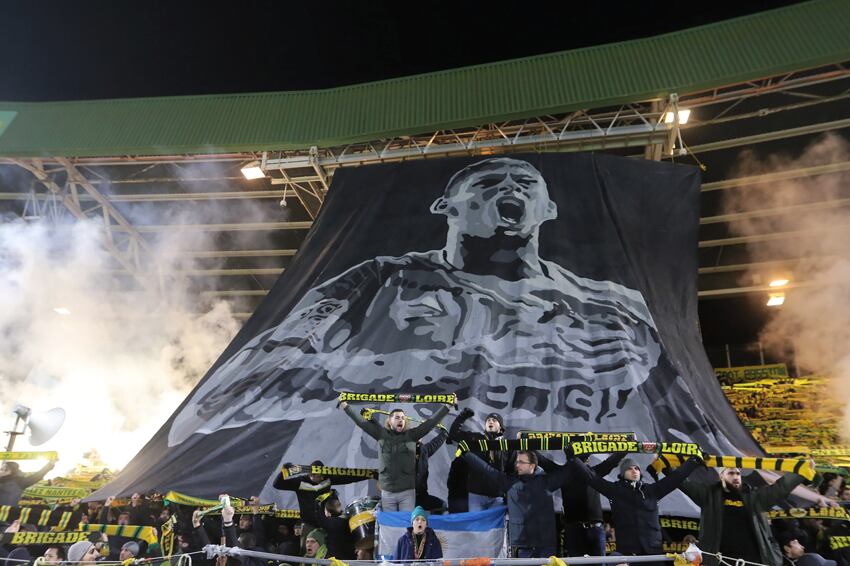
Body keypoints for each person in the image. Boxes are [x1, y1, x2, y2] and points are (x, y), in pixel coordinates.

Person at [169, 157, 727, 508]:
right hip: (398, 501)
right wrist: (356, 372)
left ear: (548, 208)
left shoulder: (616, 306)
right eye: (488, 182)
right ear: (447, 206)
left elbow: (687, 420)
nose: (509, 189)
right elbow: (221, 399)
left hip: (568, 503)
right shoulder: (380, 280)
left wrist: (736, 474)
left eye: (524, 183)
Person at [571, 454, 702, 558]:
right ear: (622, 473)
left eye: (637, 468)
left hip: (653, 553)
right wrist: (573, 459)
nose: (634, 471)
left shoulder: (652, 490)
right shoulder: (614, 490)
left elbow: (675, 478)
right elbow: (591, 477)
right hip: (628, 553)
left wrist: (693, 461)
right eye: (629, 468)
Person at [679, 466, 811, 566]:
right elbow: (682, 482)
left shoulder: (755, 496)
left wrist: (802, 472)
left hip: (755, 561)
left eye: (738, 473)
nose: (736, 477)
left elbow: (780, 487)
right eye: (731, 473)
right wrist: (665, 465)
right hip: (722, 561)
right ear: (721, 476)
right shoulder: (708, 495)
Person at [341, 402, 449, 511]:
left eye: (403, 418)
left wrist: (446, 413)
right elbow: (364, 424)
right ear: (390, 421)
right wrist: (348, 408)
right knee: (391, 523)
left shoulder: (423, 448)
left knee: (408, 522)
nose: (401, 420)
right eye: (397, 417)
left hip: (413, 493)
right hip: (390, 492)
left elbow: (430, 426)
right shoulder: (388, 436)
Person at [463, 449, 568, 558]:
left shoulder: (546, 482)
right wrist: (466, 454)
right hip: (522, 546)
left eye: (521, 462)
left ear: (532, 466)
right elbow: (487, 470)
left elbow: (566, 472)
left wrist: (572, 456)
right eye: (517, 462)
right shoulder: (509, 482)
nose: (517, 465)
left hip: (545, 545)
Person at [536, 449, 624, 556]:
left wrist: (629, 445)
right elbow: (542, 461)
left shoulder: (593, 472)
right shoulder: (564, 472)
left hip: (594, 529)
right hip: (574, 530)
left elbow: (612, 461)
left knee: (599, 564)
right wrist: (523, 442)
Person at [448, 408, 513, 511]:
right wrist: (462, 417)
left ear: (501, 427)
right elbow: (453, 435)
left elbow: (511, 470)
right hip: (476, 495)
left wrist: (508, 493)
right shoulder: (475, 439)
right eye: (488, 420)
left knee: (496, 527)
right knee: (476, 526)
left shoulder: (507, 445)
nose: (490, 421)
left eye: (494, 420)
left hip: (498, 497)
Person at [311, 494, 355, 559]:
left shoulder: (330, 523)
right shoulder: (350, 520)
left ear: (328, 511)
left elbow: (319, 515)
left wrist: (320, 501)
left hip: (337, 562)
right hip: (352, 560)